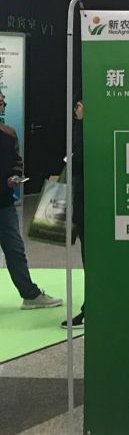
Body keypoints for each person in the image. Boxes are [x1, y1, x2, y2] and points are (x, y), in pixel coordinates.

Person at [0, 90, 62, 310]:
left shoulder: (9, 134)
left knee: (15, 250)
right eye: (0, 101)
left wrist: (14, 176)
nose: (3, 104)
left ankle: (30, 295)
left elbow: (17, 161)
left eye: (3, 101)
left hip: (4, 204)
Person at [60, 99, 85, 328]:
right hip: (85, 205)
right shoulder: (80, 128)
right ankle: (89, 307)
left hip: (89, 205)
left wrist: (71, 159)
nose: (77, 109)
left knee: (92, 259)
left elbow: (79, 161)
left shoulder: (86, 129)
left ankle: (90, 308)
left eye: (79, 105)